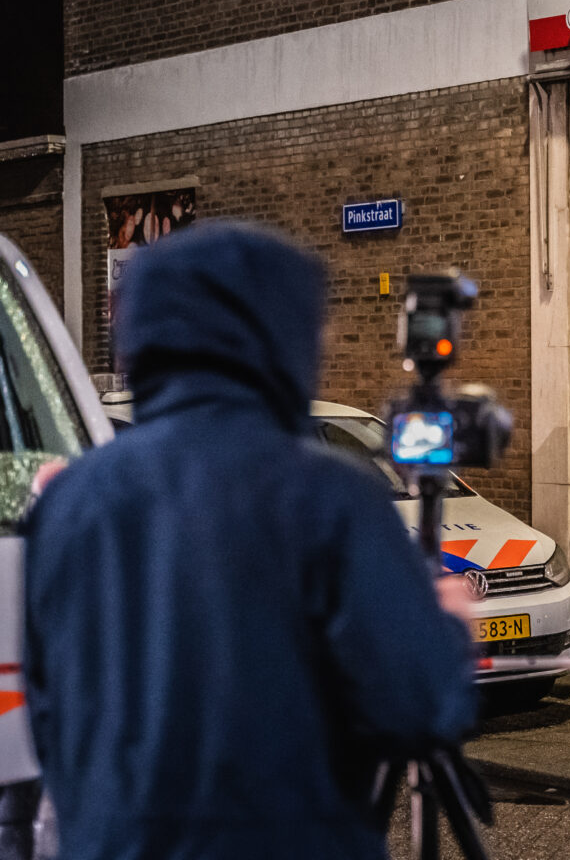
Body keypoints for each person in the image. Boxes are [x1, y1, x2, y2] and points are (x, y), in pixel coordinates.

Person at [22, 221, 478, 860]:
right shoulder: (328, 497)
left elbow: (50, 716)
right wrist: (446, 628)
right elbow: (418, 706)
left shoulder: (69, 501)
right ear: (276, 333)